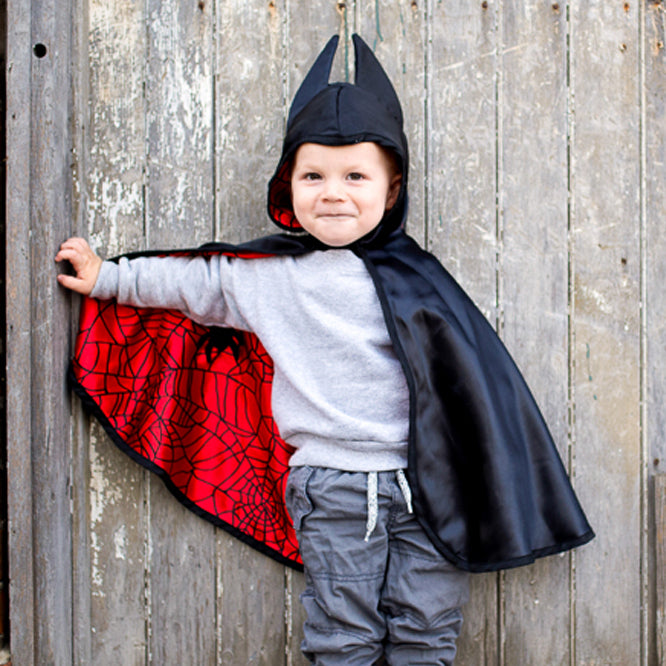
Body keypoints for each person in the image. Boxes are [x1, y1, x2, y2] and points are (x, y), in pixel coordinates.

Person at [56, 35, 593, 665]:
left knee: (427, 630)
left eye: (355, 176)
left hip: (432, 484)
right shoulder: (264, 276)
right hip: (332, 488)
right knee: (343, 637)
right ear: (289, 187)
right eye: (314, 176)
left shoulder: (418, 276)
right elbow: (187, 282)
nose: (333, 192)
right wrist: (108, 278)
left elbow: (473, 384)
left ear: (392, 190)